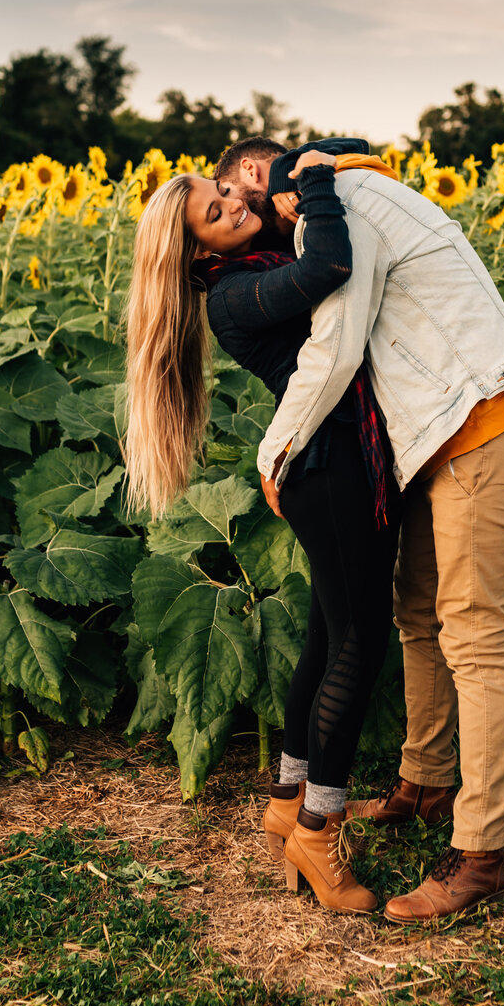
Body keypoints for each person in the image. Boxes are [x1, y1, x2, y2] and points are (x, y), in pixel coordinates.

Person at [215, 140, 504, 924]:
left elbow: (334, 348)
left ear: (281, 172)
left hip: (484, 425)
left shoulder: (342, 209)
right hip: (443, 432)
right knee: (415, 614)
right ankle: (427, 782)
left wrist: (276, 448)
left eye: (247, 186)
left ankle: (483, 853)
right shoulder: (346, 196)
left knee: (474, 634)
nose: (248, 204)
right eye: (227, 197)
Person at [122, 150, 401, 915]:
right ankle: (318, 829)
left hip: (329, 462)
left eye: (222, 191)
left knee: (326, 633)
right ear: (197, 254)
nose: (234, 202)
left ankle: (287, 797)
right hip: (331, 466)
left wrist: (302, 171)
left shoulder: (252, 259)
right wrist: (312, 185)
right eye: (215, 214)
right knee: (361, 640)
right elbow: (331, 269)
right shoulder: (234, 296)